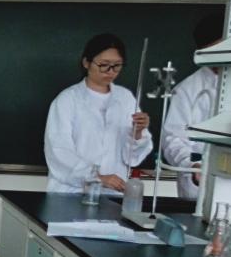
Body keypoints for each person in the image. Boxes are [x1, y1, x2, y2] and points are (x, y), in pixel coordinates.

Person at [162, 13, 231, 201]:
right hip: (204, 182)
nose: (224, 56)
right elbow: (173, 138)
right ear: (203, 51)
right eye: (215, 51)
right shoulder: (188, 90)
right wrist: (192, 165)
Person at [44, 33, 152, 194]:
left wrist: (138, 133)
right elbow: (59, 151)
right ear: (86, 63)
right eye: (104, 65)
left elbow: (132, 158)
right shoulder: (67, 100)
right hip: (71, 192)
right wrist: (96, 177)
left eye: (117, 65)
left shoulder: (125, 98)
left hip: (113, 193)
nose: (110, 71)